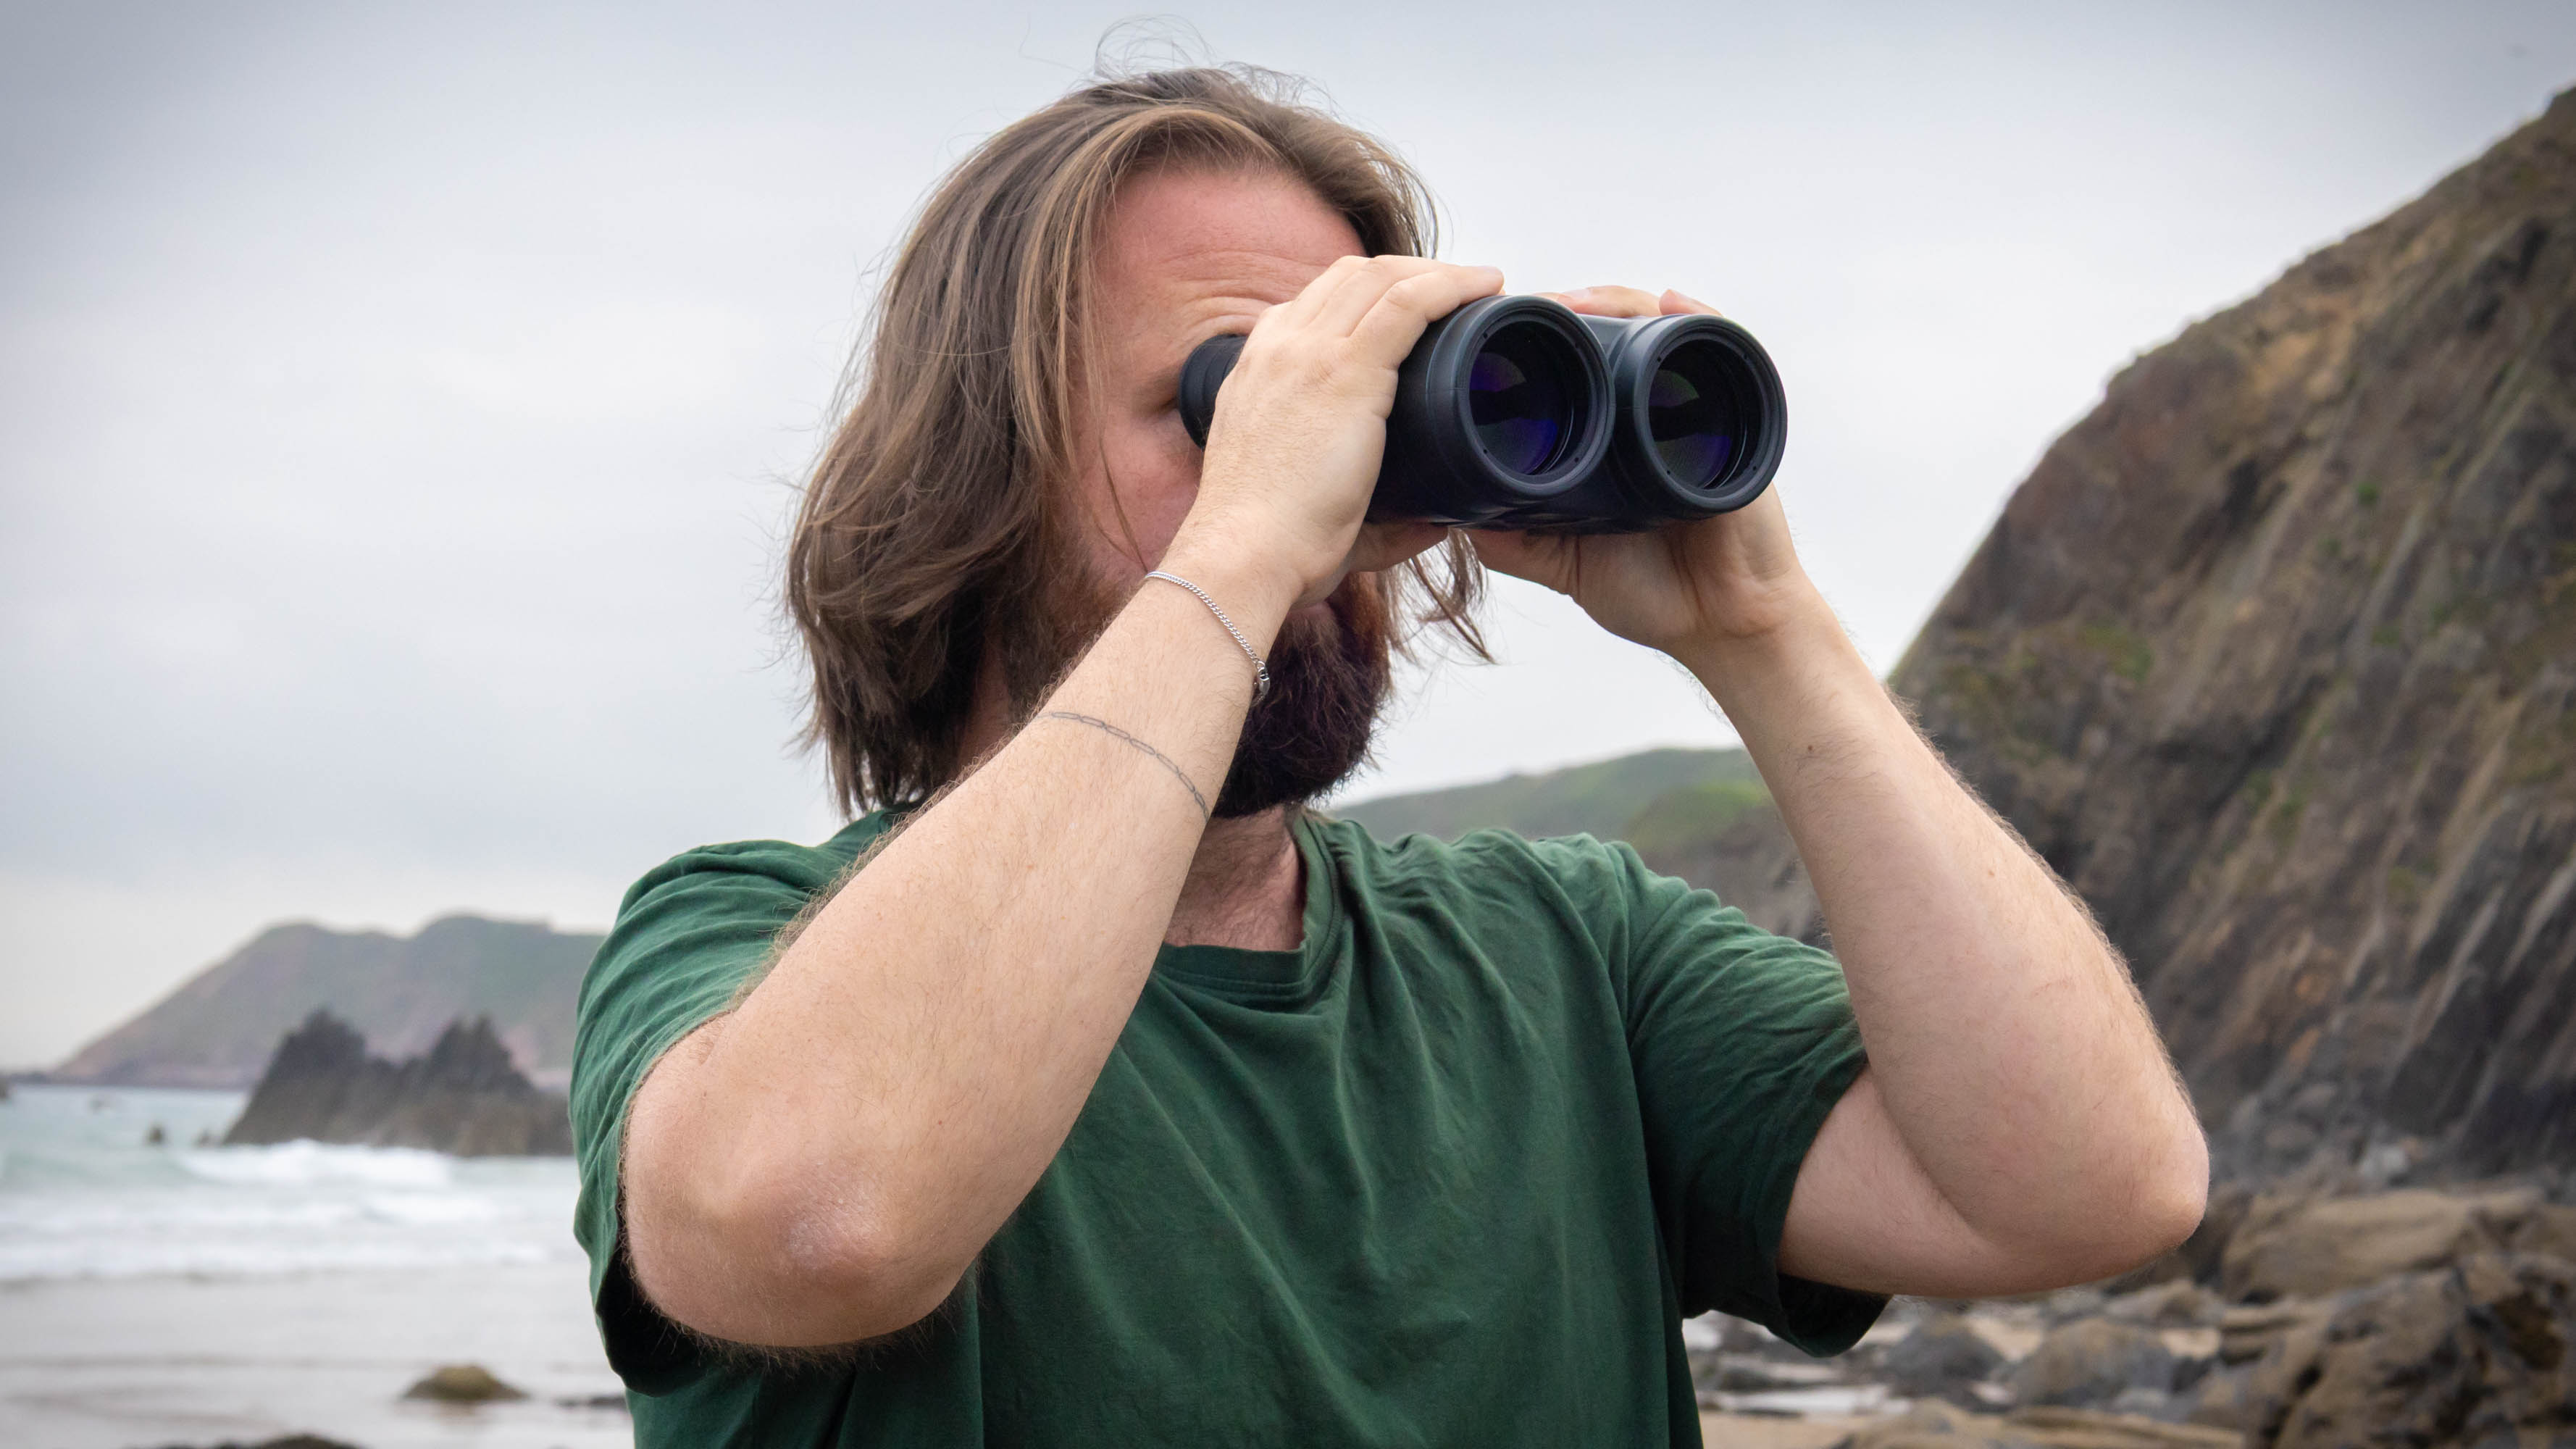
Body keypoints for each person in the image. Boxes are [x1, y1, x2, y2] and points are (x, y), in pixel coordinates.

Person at [570, 64, 2207, 1446]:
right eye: (1237, 397)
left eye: (1358, 399)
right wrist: (1239, 554)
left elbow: (2088, 1190)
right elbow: (824, 1223)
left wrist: (1764, 631)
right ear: (979, 473)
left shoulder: (1570, 958)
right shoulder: (739, 950)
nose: (1328, 480)